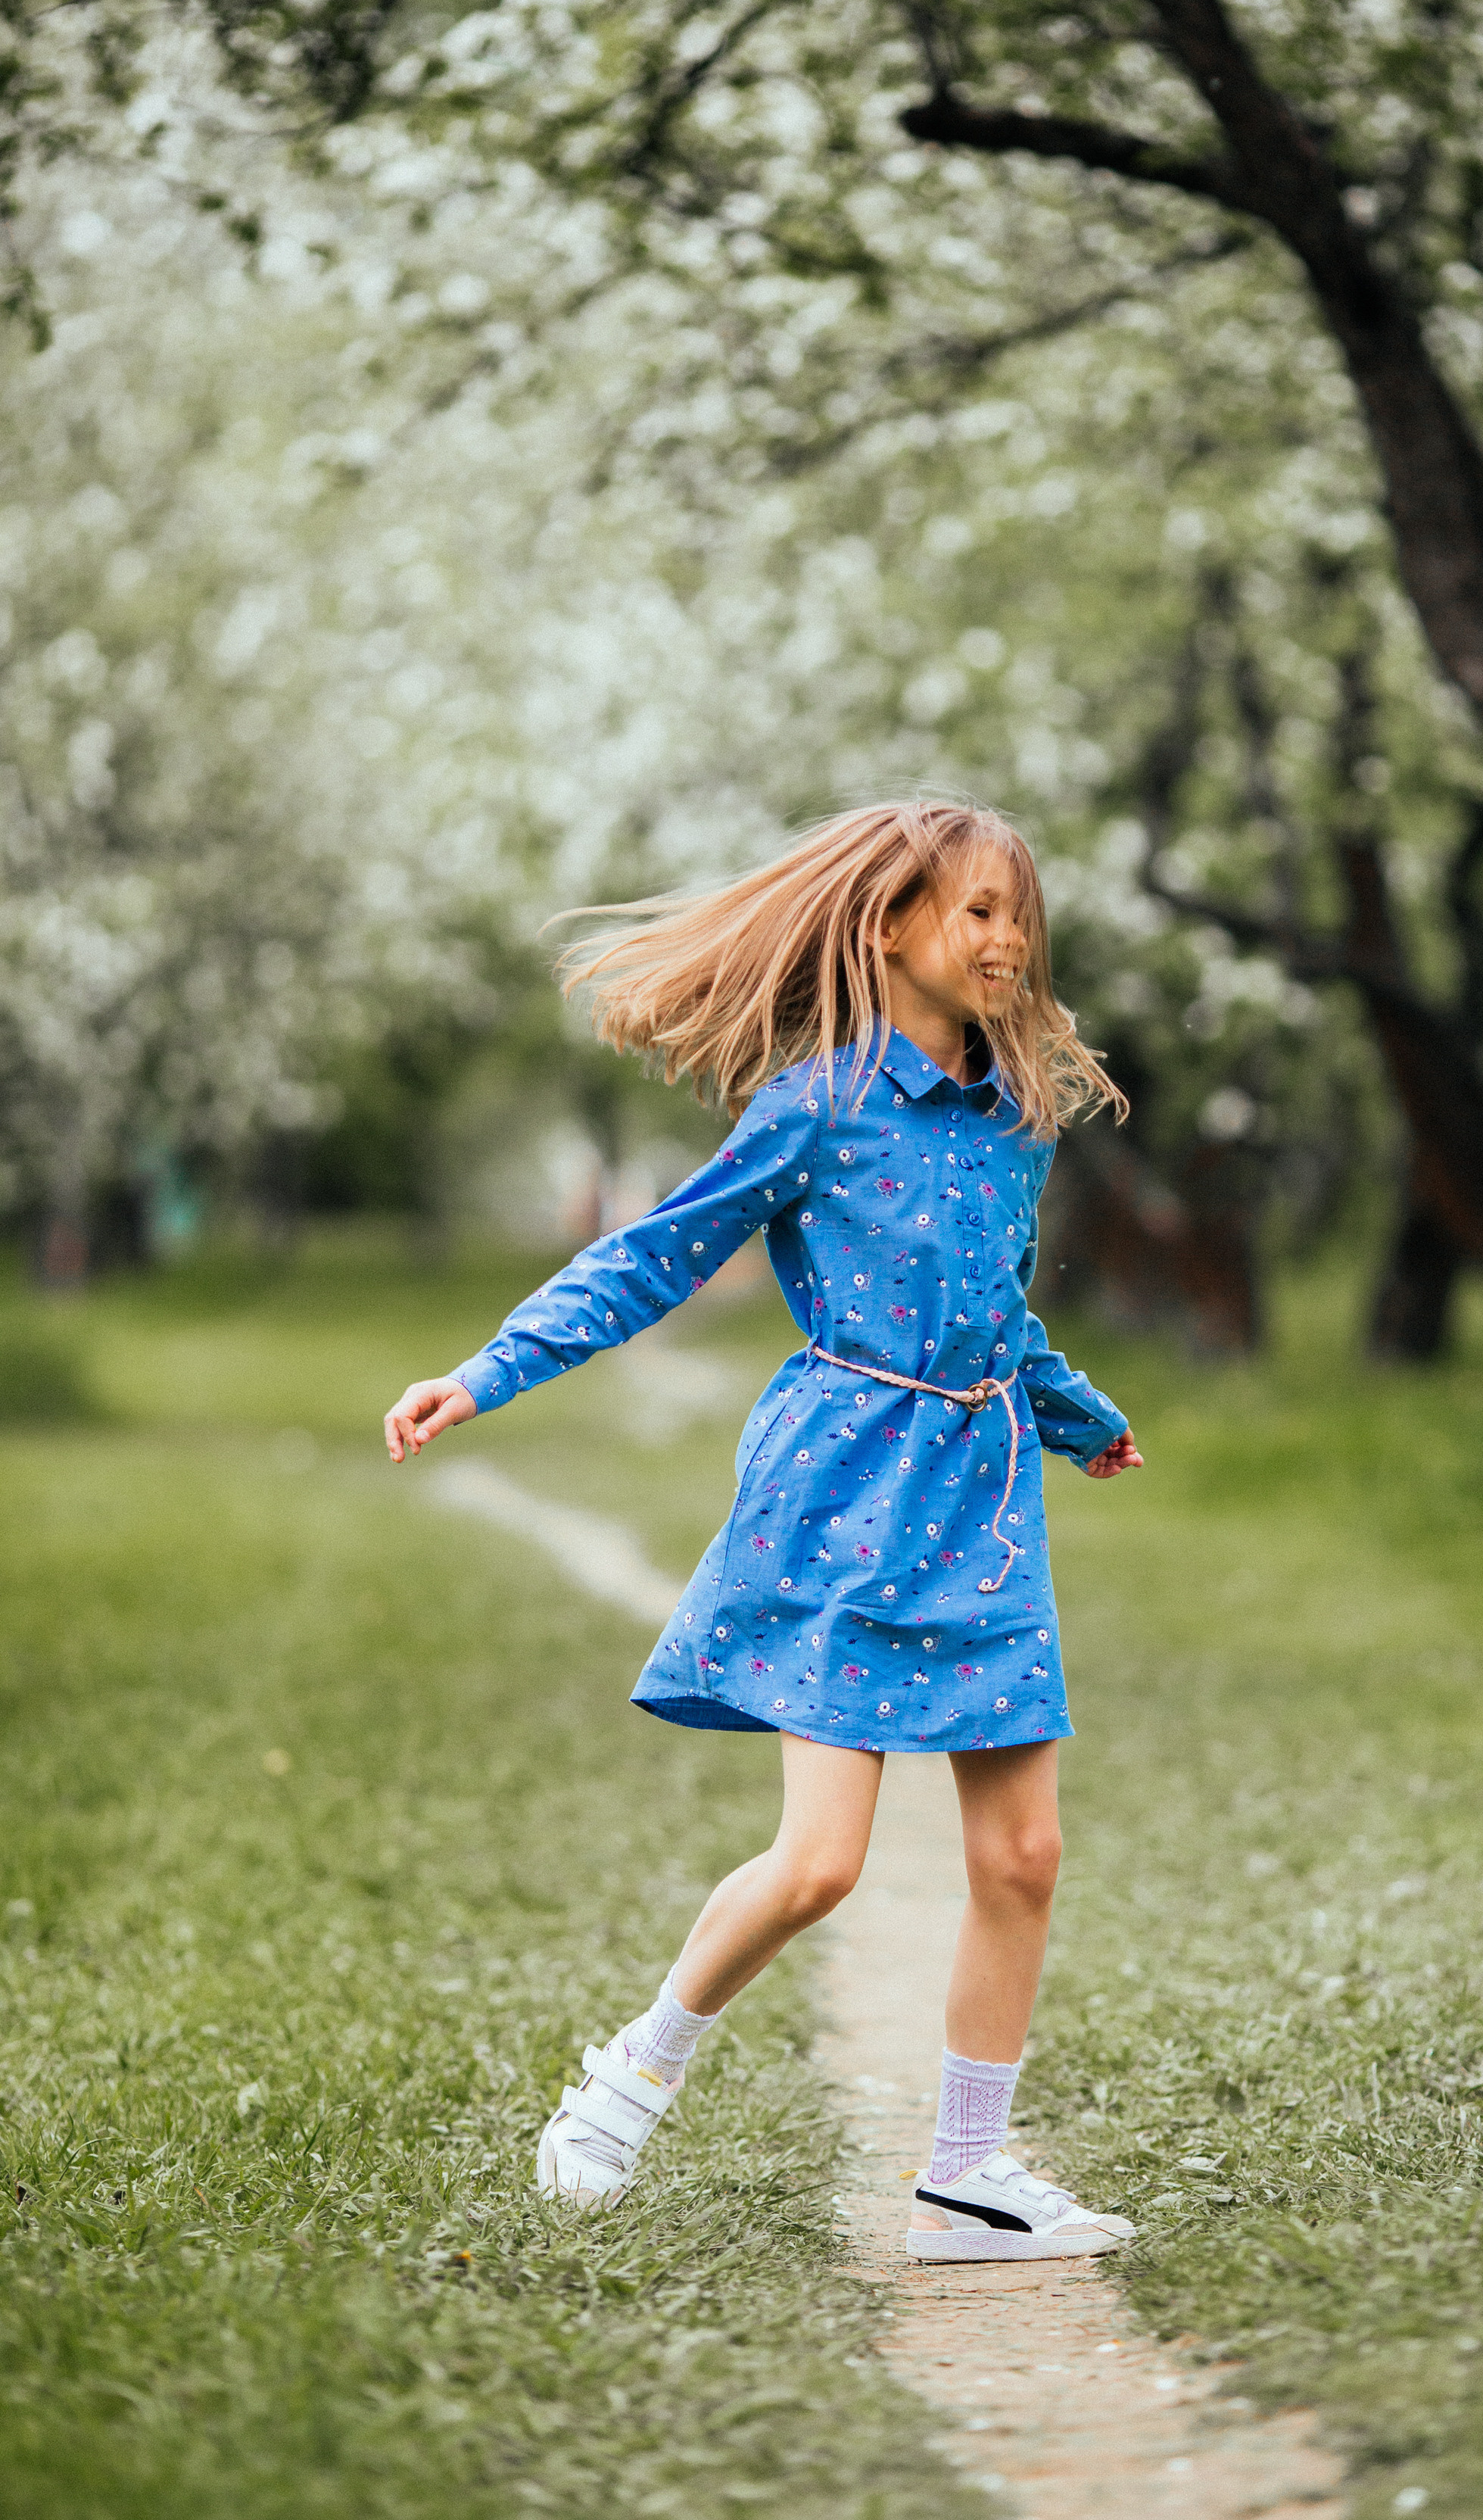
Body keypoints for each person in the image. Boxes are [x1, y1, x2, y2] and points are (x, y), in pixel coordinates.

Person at [383, 800, 1145, 2261]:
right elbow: (652, 1256)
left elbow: (995, 1309)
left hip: (984, 1499)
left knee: (1026, 1856)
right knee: (820, 1865)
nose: (1005, 940)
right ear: (889, 929)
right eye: (974, 912)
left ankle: (969, 2182)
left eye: (1017, 914)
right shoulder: (820, 1103)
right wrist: (487, 1371)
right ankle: (633, 2076)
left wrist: (1075, 1410)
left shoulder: (1019, 1116)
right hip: (845, 1496)